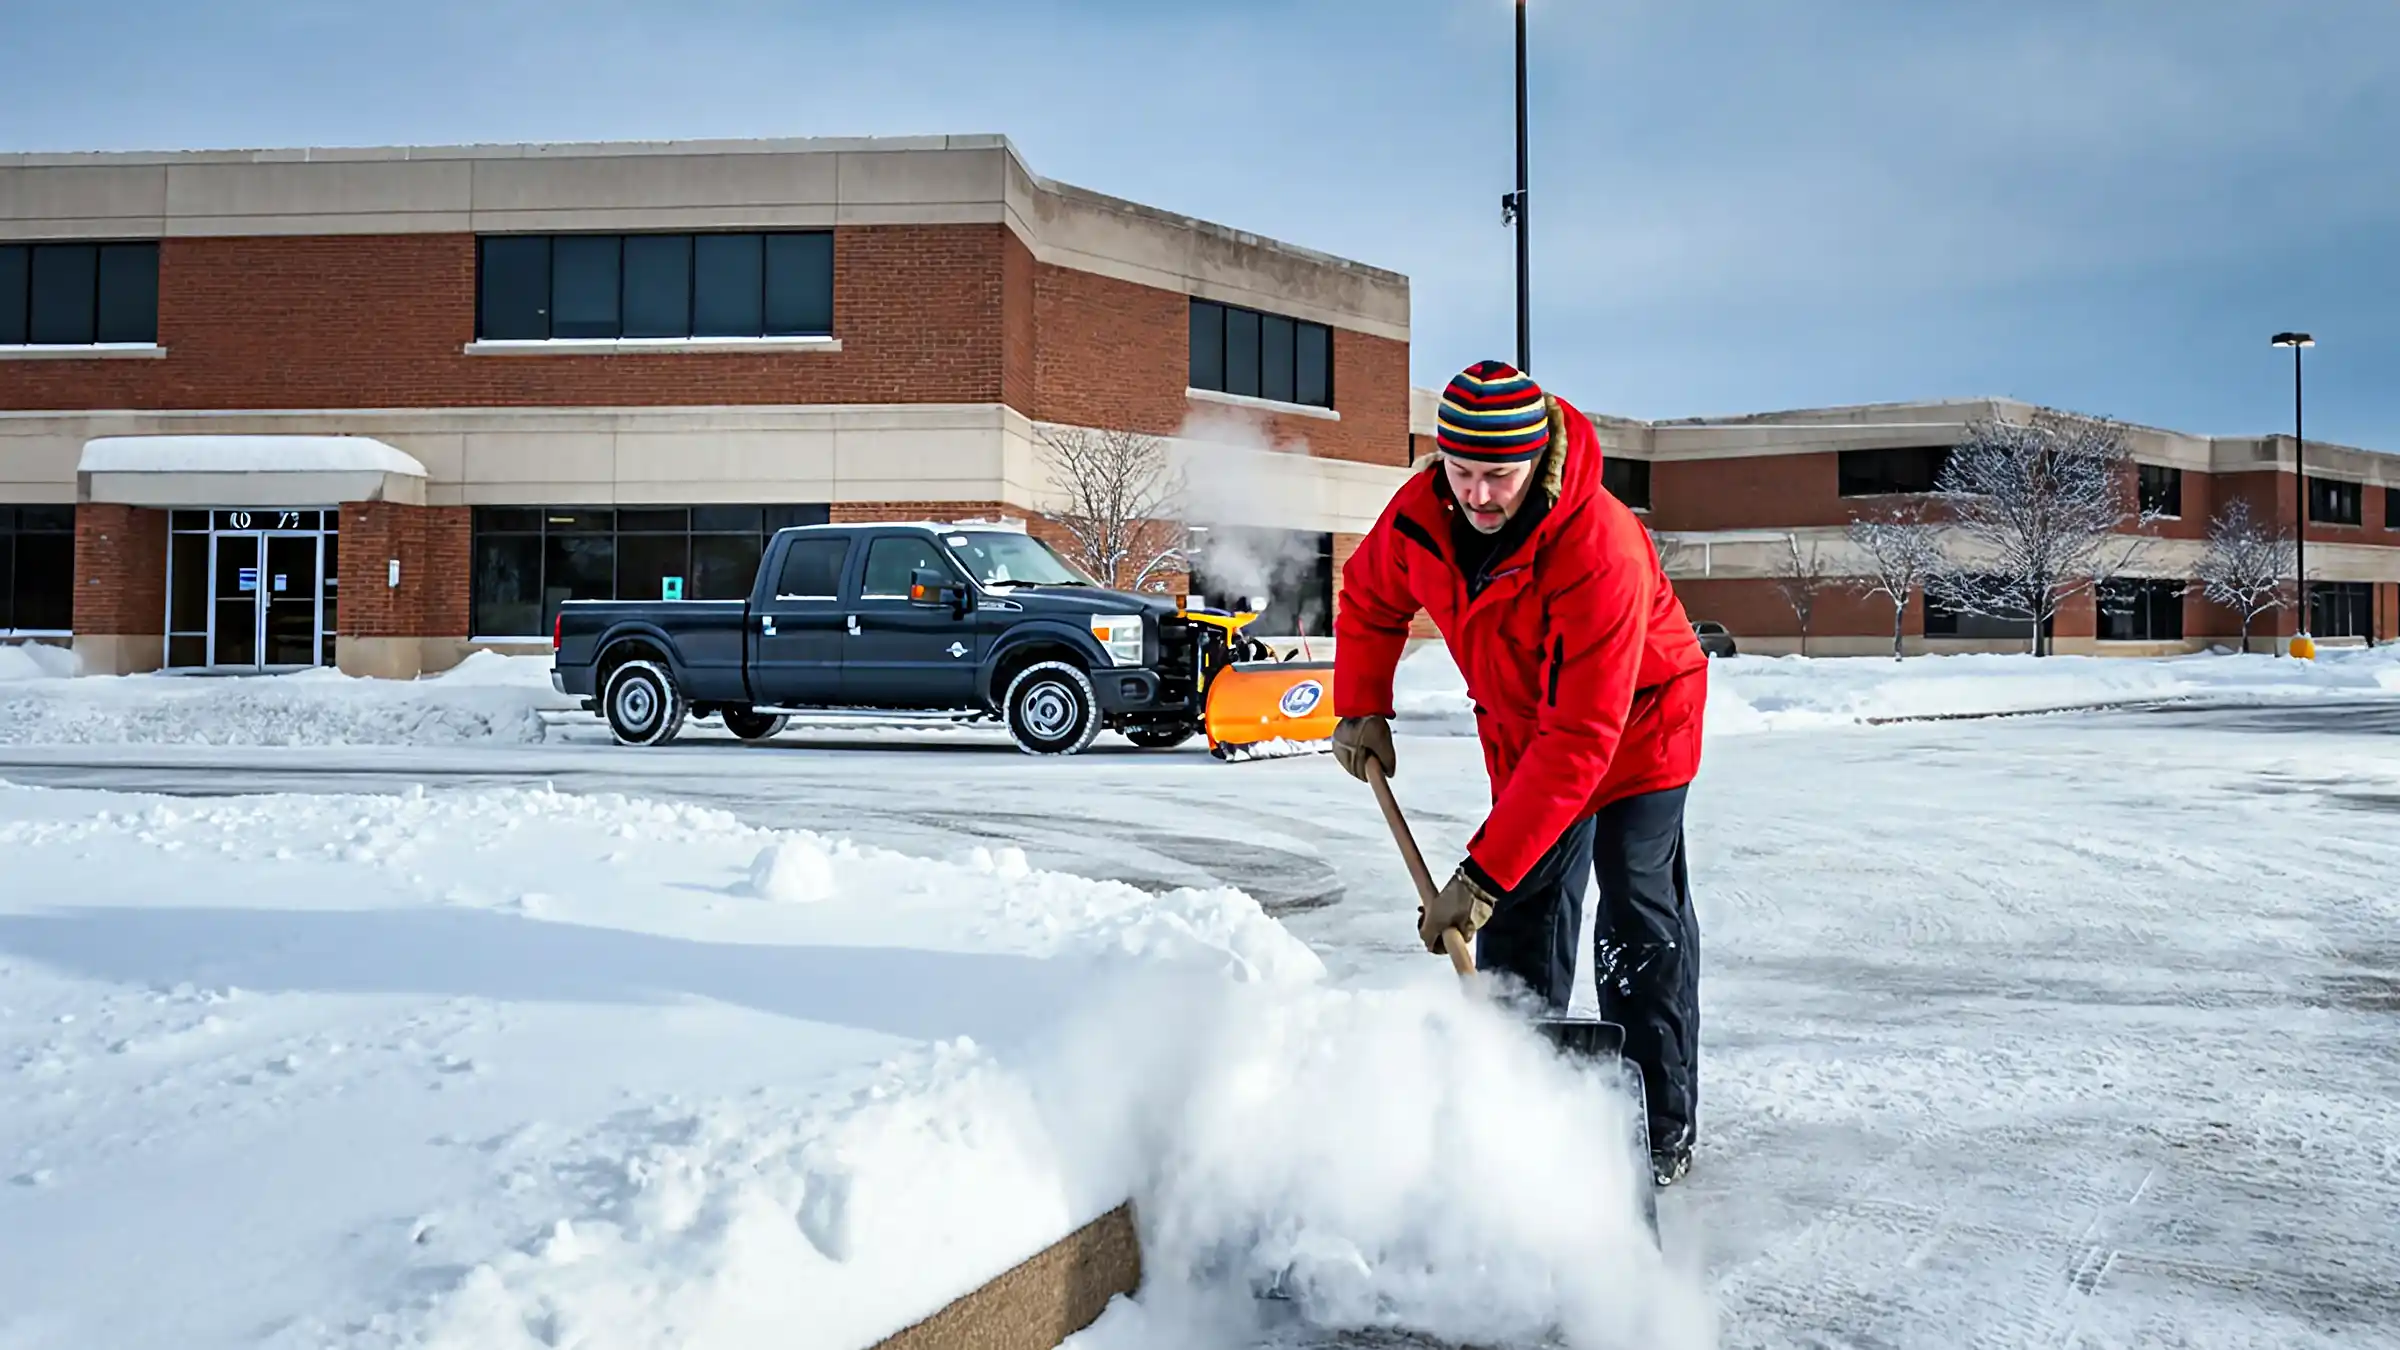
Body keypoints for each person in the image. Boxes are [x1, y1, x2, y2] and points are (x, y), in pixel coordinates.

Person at [1330, 359, 1710, 1186]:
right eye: (1461, 470)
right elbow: (1368, 595)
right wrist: (1363, 704)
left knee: (1635, 906)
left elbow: (1583, 733)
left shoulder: (1597, 543)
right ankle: (1515, 1099)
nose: (1479, 495)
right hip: (1522, 726)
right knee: (1527, 903)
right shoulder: (1423, 513)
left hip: (1641, 722)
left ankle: (1656, 1127)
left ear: (1538, 459)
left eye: (1499, 474)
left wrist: (1480, 872)